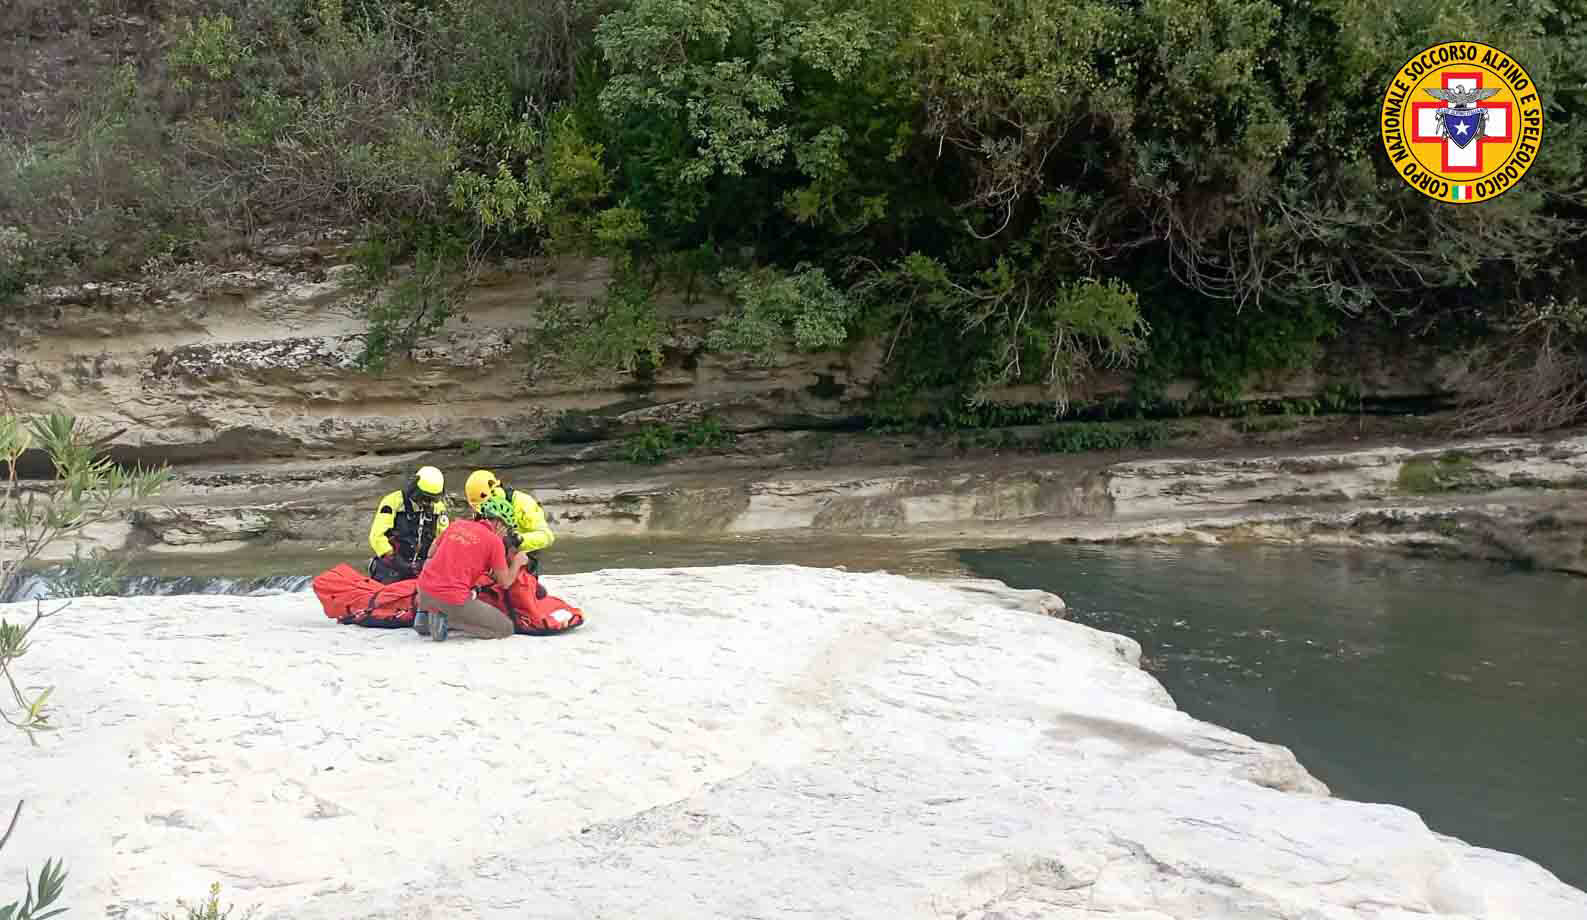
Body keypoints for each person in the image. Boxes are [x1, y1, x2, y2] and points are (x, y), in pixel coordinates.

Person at [414, 495, 528, 641]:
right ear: (499, 524)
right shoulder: (494, 541)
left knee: (450, 597)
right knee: (505, 628)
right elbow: (505, 582)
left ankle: (427, 616)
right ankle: (447, 620)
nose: (506, 534)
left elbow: (431, 554)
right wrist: (518, 561)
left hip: (423, 591)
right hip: (451, 599)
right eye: (507, 529)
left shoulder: (457, 524)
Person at [367, 465, 450, 584]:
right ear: (414, 489)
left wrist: (431, 562)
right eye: (423, 497)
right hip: (393, 566)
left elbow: (444, 539)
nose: (426, 502)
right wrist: (395, 560)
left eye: (432, 499)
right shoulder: (392, 502)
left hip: (422, 568)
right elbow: (377, 536)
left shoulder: (438, 508)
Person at [463, 469, 554, 573]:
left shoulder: (523, 503)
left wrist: (517, 540)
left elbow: (547, 537)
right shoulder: (481, 510)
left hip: (523, 557)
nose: (485, 509)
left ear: (494, 491)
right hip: (495, 558)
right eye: (479, 507)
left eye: (486, 503)